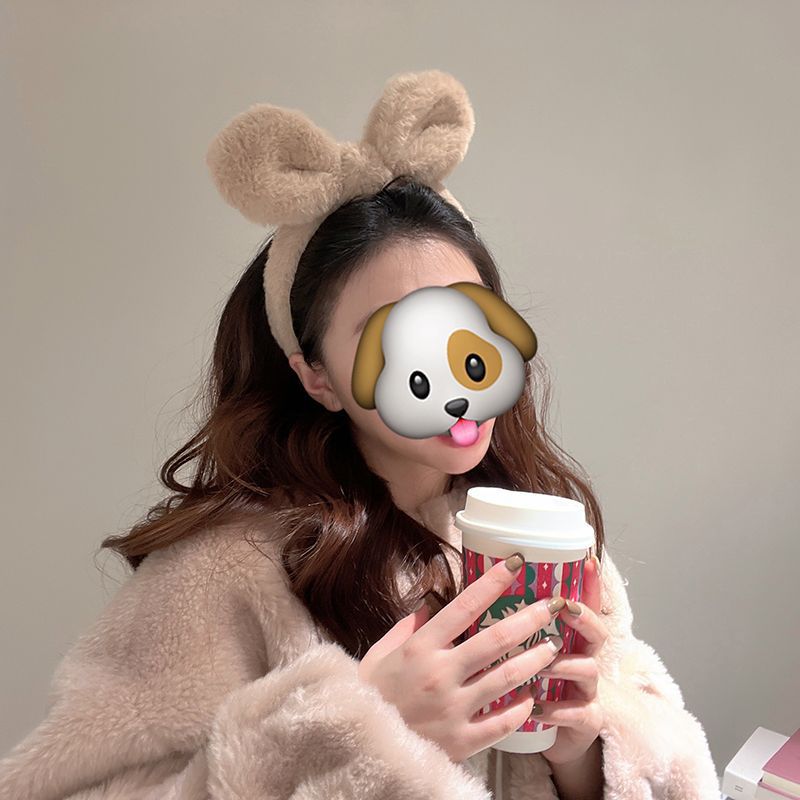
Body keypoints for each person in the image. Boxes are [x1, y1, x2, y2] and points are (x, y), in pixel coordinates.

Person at [0, 70, 721, 799]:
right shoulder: (226, 571)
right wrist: (361, 732)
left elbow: (673, 764)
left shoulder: (546, 534)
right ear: (317, 376)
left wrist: (585, 755)